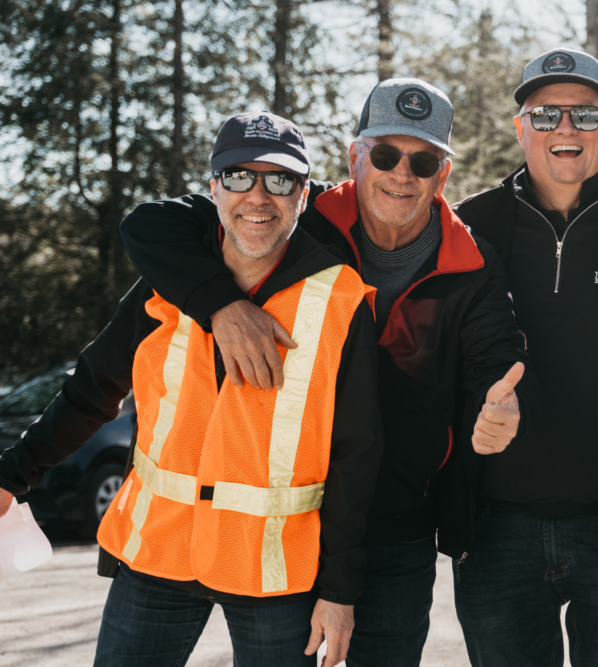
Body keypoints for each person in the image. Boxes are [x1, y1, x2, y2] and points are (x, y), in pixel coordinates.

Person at [115, 79, 530, 667]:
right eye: (385, 154)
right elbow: (154, 224)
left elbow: (498, 357)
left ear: (443, 174)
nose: (401, 173)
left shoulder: (471, 261)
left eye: (423, 160)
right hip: (286, 526)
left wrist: (503, 409)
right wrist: (221, 303)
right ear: (356, 157)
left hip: (396, 524)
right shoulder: (298, 222)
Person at [0, 111, 384, 667]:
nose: (259, 196)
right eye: (238, 177)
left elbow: (358, 455)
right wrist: (12, 474)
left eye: (280, 180)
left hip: (273, 572)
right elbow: (91, 391)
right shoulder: (166, 286)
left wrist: (341, 590)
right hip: (159, 554)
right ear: (213, 188)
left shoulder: (341, 300)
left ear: (304, 196)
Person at [448, 48, 598, 666]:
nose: (566, 129)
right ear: (521, 129)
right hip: (497, 534)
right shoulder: (469, 228)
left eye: (584, 114)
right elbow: (435, 358)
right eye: (546, 115)